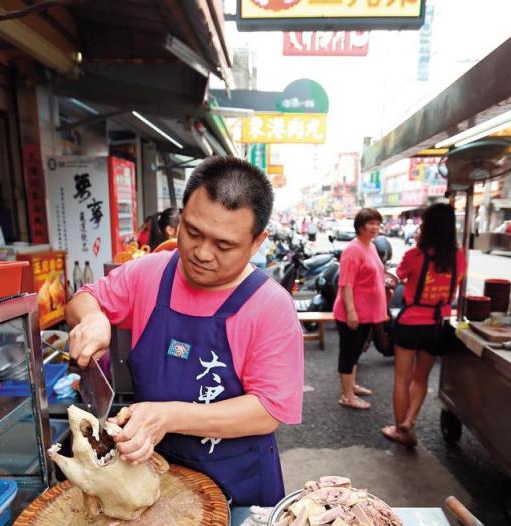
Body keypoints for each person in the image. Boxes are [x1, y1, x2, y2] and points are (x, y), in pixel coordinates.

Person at [66, 157, 304, 507]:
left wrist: (169, 416)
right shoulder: (150, 274)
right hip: (151, 478)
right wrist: (94, 318)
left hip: (238, 487)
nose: (202, 254)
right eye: (192, 232)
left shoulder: (270, 306)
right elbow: (84, 299)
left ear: (257, 242)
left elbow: (269, 411)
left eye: (224, 245)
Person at [383, 203, 466, 447]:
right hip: (436, 325)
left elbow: (398, 275)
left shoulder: (415, 255)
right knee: (421, 378)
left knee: (402, 379)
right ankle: (410, 420)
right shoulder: (459, 257)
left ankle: (401, 430)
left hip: (410, 323)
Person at [333, 208, 387, 410]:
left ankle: (351, 386)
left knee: (355, 352)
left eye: (377, 223)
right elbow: (346, 284)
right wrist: (351, 311)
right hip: (353, 312)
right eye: (370, 223)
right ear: (360, 226)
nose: (374, 227)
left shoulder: (370, 246)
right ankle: (347, 396)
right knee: (348, 352)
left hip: (366, 313)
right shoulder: (353, 250)